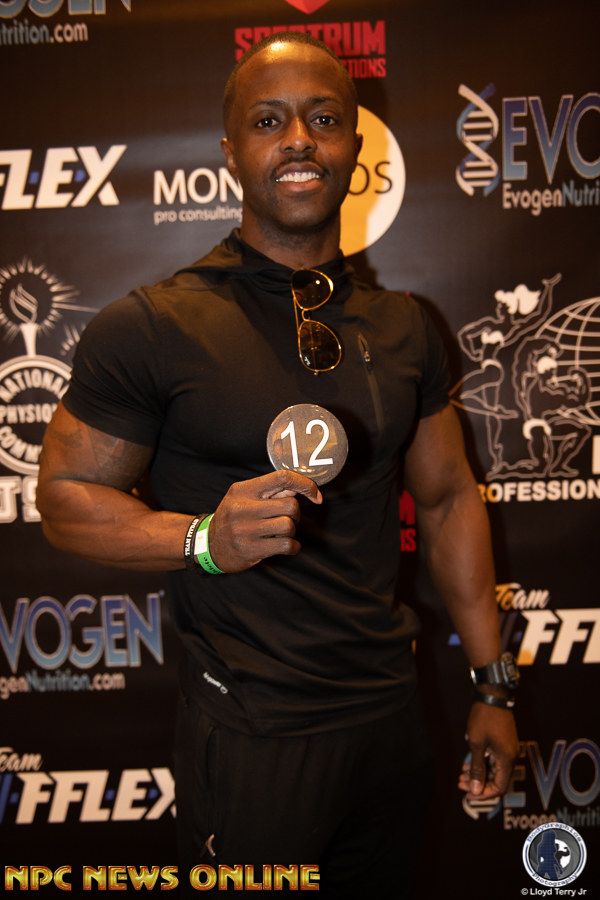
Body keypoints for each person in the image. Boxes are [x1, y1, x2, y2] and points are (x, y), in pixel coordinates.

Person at [36, 33, 519, 898]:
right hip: (253, 736)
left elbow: (448, 500)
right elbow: (66, 499)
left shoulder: (405, 326)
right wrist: (204, 541)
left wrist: (494, 688)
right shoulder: (154, 325)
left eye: (323, 119)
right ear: (231, 153)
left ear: (355, 148)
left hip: (389, 720)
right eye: (269, 121)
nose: (299, 139)